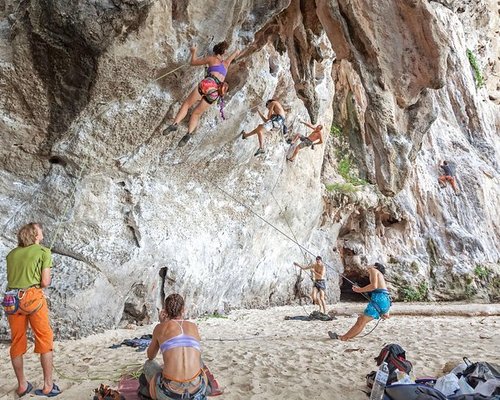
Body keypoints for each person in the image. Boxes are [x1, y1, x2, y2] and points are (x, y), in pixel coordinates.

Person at [5, 223, 61, 397]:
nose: (43, 231)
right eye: (40, 230)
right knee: (44, 338)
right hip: (32, 298)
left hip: (12, 300)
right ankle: (48, 386)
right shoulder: (44, 252)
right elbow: (45, 282)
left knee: (17, 341)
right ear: (35, 235)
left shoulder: (11, 254)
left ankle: (22, 385)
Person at [163, 41, 240, 147]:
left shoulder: (211, 59)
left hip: (207, 84)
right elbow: (234, 55)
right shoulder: (226, 64)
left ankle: (174, 124)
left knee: (186, 104)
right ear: (223, 53)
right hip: (215, 92)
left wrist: (193, 51)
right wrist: (236, 51)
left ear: (215, 51)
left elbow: (193, 62)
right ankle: (189, 133)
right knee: (196, 113)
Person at [144, 293, 217, 400]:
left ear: (165, 311)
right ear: (183, 309)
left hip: (169, 394)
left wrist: (162, 324)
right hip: (197, 392)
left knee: (148, 364)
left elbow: (150, 356)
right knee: (198, 359)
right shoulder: (193, 327)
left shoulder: (160, 328)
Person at [328, 262, 391, 341]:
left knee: (361, 321)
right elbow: (380, 289)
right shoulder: (379, 274)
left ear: (375, 266)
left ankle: (343, 337)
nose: (369, 264)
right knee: (361, 320)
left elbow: (373, 286)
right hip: (383, 300)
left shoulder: (373, 270)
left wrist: (359, 290)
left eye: (372, 264)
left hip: (379, 299)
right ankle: (344, 337)